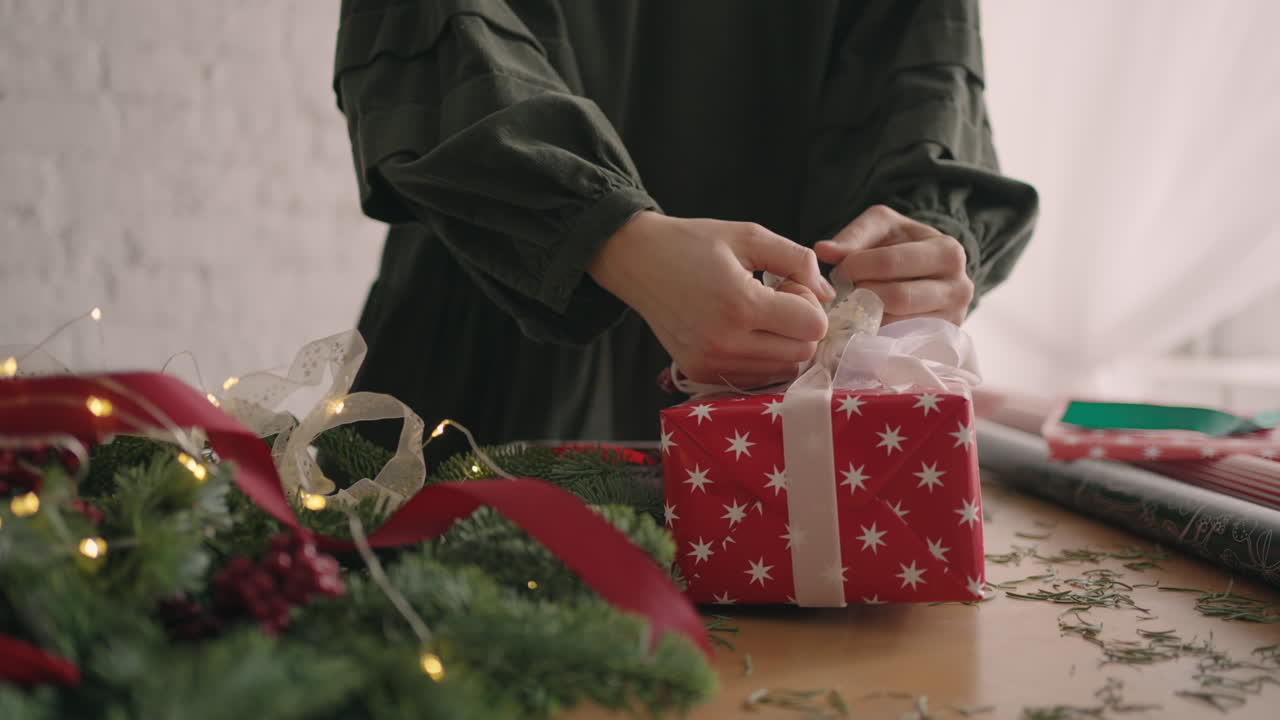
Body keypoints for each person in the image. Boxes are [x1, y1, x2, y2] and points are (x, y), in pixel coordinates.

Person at [331, 0, 1037, 463]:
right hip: (501, 364)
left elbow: (926, 69)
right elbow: (432, 23)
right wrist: (609, 234)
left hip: (803, 408)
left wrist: (924, 241)